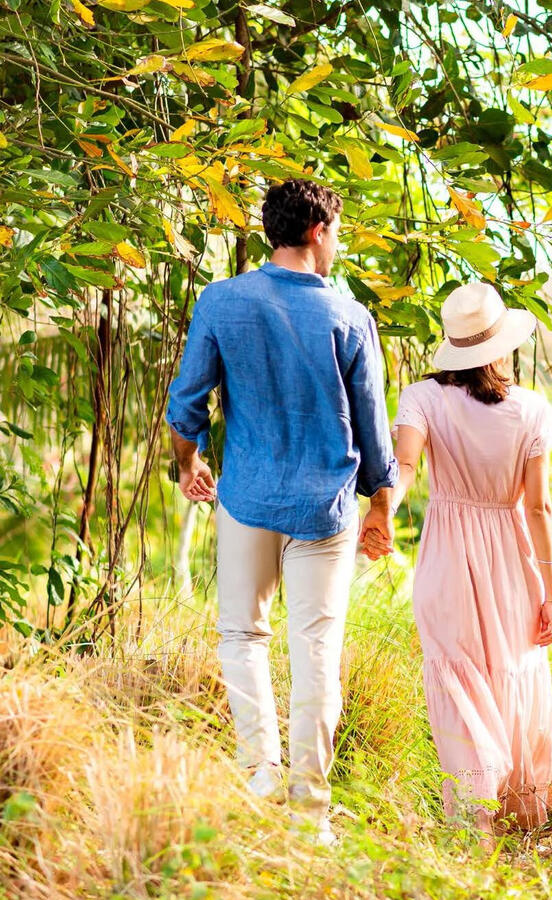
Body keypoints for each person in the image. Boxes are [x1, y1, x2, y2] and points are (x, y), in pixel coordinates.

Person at [165, 179, 398, 844]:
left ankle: (259, 780)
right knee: (316, 648)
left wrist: (190, 463)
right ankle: (310, 809)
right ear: (320, 231)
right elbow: (373, 428)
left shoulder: (222, 300)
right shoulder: (349, 316)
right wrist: (381, 503)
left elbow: (187, 403)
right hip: (324, 507)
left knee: (242, 637)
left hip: (246, 498)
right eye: (339, 233)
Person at [367, 281, 552, 840]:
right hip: (513, 559)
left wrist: (384, 509)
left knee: (459, 681)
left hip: (446, 556)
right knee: (512, 677)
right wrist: (550, 593)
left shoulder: (422, 397)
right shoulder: (531, 410)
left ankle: (473, 817)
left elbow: (404, 468)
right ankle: (522, 820)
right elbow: (539, 507)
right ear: (501, 345)